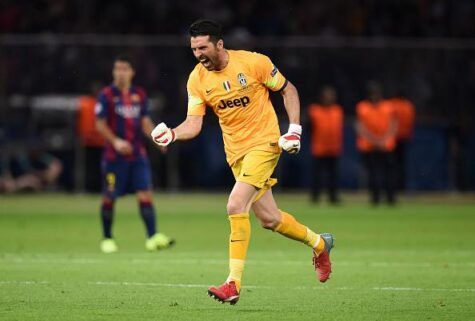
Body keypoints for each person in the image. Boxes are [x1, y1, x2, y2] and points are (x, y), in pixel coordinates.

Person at [151, 19, 334, 305]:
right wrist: (172, 134)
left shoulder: (253, 63)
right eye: (193, 49)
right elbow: (193, 123)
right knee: (270, 219)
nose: (198, 54)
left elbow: (289, 90)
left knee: (235, 205)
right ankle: (320, 244)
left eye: (203, 47)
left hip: (265, 144)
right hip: (236, 154)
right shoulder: (196, 79)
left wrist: (294, 129)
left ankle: (233, 284)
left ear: (219, 44)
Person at [95, 55, 174, 253]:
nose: (120, 73)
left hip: (138, 156)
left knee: (145, 193)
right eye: (117, 69)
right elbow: (99, 124)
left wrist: (157, 138)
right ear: (113, 72)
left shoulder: (139, 94)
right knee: (109, 196)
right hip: (114, 159)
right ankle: (107, 238)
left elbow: (145, 122)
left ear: (132, 72)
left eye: (124, 69)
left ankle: (152, 237)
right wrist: (116, 141)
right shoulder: (106, 95)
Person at [355, 81, 398, 205]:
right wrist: (374, 140)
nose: (374, 96)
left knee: (389, 173)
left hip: (386, 146)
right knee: (373, 174)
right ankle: (375, 198)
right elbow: (360, 126)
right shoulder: (362, 107)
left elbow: (393, 125)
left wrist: (384, 139)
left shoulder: (389, 106)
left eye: (376, 93)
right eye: (372, 94)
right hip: (369, 146)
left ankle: (391, 198)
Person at [307, 86, 344, 204]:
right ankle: (315, 197)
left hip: (334, 148)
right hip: (319, 148)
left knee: (334, 175)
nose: (330, 98)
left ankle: (333, 197)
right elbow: (309, 128)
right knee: (317, 175)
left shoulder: (338, 110)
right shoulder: (314, 110)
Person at [77, 82, 105, 193]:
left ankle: (101, 188)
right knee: (89, 167)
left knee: (102, 167)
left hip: (101, 141)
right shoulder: (84, 103)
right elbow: (77, 120)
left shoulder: (104, 104)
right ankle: (89, 188)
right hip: (88, 141)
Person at [390, 93, 415, 191]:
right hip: (401, 138)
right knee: (399, 164)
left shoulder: (392, 104)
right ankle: (399, 186)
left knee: (393, 165)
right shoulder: (408, 106)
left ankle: (396, 186)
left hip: (394, 138)